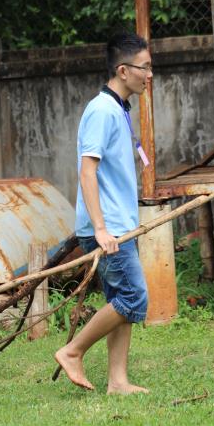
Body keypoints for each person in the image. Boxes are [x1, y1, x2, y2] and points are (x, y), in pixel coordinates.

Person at [54, 32, 153, 394]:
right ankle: (72, 351)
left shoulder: (119, 108)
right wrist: (99, 228)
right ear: (123, 70)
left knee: (119, 301)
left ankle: (118, 381)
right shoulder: (101, 110)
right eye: (145, 67)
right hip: (107, 228)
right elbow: (87, 171)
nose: (150, 75)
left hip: (118, 224)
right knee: (134, 298)